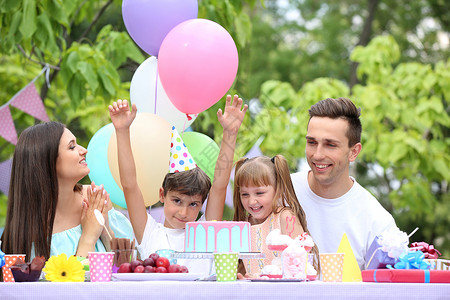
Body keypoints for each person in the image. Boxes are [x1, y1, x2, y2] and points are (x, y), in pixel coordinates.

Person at [109, 95, 247, 273]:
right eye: (177, 201)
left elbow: (219, 186)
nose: (184, 212)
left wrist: (230, 133)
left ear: (202, 204)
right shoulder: (149, 232)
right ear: (162, 194)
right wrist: (122, 131)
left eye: (193, 204)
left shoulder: (205, 232)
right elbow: (129, 185)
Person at [0, 122, 134, 261]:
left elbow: (127, 267)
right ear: (47, 161)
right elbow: (66, 281)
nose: (83, 150)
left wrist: (106, 233)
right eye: (72, 147)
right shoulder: (26, 228)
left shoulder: (95, 199)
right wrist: (88, 238)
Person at [291, 97, 398, 270]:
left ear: (353, 152)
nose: (317, 154)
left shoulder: (377, 221)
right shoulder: (280, 190)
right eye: (312, 142)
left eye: (330, 145)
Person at [233, 155, 320, 277]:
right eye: (245, 194)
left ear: (278, 189)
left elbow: (300, 266)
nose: (252, 201)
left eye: (259, 193)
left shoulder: (285, 218)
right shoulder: (244, 224)